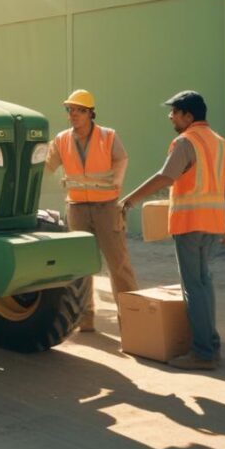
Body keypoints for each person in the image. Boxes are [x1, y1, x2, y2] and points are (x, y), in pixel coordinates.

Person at [119, 90, 225, 371]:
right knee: (204, 284)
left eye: (174, 112)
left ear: (188, 115)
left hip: (190, 223)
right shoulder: (220, 143)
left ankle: (203, 353)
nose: (170, 116)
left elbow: (165, 177)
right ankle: (212, 346)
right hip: (214, 222)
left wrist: (130, 199)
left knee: (193, 288)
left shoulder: (185, 142)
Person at [44, 89, 139, 332]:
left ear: (91, 113)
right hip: (76, 208)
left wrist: (117, 180)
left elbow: (121, 158)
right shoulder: (62, 139)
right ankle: (84, 317)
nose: (74, 115)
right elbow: (47, 166)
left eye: (79, 110)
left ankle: (132, 320)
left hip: (106, 207)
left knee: (119, 265)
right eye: (71, 110)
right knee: (80, 265)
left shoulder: (108, 136)